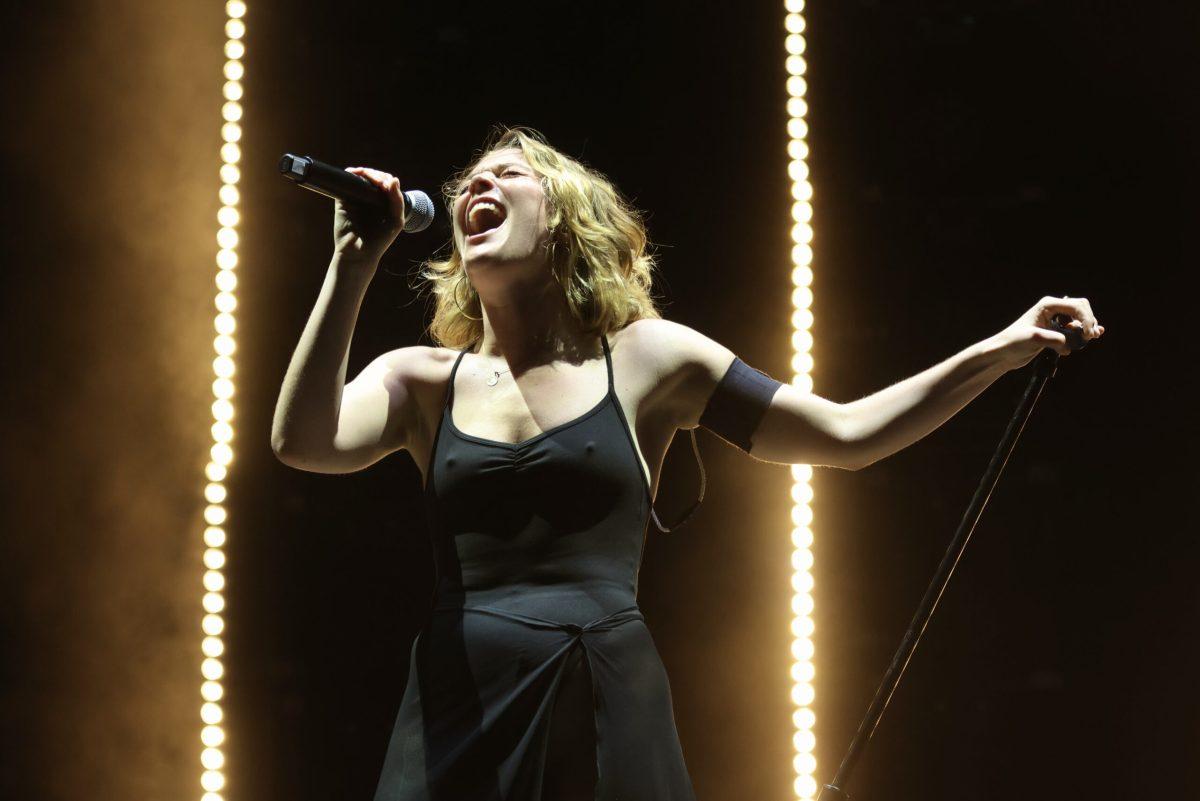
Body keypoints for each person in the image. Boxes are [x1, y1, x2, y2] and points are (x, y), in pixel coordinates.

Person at [270, 125, 1104, 801]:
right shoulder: (421, 378)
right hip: (460, 699)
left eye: (508, 174)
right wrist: (354, 260)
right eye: (464, 188)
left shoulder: (648, 359)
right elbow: (302, 440)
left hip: (600, 689)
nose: (474, 190)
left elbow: (847, 435)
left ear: (562, 216)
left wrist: (1002, 349)